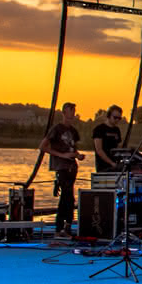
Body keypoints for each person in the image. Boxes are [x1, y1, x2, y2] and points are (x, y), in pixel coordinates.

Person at [44, 102, 86, 237]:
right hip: (61, 166)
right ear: (64, 112)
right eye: (70, 110)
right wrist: (63, 155)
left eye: (74, 110)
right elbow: (43, 147)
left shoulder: (73, 131)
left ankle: (67, 226)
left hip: (71, 166)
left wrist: (78, 155)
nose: (73, 113)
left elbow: (72, 147)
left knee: (70, 197)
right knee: (66, 196)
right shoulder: (56, 129)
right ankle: (59, 228)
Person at [93, 105, 124, 172]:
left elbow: (118, 147)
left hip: (115, 165)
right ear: (108, 116)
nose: (117, 120)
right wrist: (111, 163)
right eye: (115, 117)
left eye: (119, 118)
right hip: (103, 167)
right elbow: (99, 150)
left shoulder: (117, 130)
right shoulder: (99, 129)